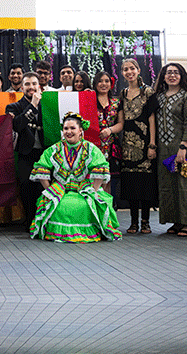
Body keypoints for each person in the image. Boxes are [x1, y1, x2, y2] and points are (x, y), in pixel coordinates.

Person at [30, 112, 122, 243]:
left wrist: (94, 191)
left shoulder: (90, 148)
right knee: (57, 204)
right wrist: (49, 190)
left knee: (87, 204)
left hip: (83, 187)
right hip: (60, 188)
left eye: (72, 128)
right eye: (66, 128)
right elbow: (41, 168)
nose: (69, 131)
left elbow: (101, 167)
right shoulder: (54, 149)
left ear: (80, 131)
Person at [155, 63, 187, 236]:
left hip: (186, 147)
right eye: (168, 73)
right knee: (169, 184)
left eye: (176, 73)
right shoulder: (160, 96)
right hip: (165, 148)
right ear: (163, 76)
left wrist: (183, 147)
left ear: (182, 76)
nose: (172, 76)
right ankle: (177, 220)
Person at [119, 59, 159, 234]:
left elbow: (152, 119)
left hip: (144, 143)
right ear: (122, 73)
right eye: (126, 69)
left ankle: (146, 222)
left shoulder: (148, 91)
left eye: (132, 68)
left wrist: (152, 144)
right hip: (127, 144)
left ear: (138, 70)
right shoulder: (123, 93)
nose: (129, 72)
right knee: (131, 184)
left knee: (145, 183)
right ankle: (133, 222)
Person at [6, 72, 44, 231]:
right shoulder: (13, 106)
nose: (31, 87)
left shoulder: (47, 105)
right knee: (26, 186)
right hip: (25, 154)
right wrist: (33, 105)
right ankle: (30, 221)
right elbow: (17, 125)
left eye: (34, 84)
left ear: (39, 86)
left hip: (45, 154)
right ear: (22, 88)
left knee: (43, 188)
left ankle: (43, 221)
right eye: (27, 84)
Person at [94, 71, 124, 194]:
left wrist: (109, 130)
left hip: (111, 146)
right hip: (94, 146)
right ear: (95, 84)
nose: (103, 84)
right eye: (100, 81)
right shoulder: (89, 101)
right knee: (95, 179)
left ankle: (109, 208)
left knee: (110, 181)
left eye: (107, 81)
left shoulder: (117, 102)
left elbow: (121, 123)